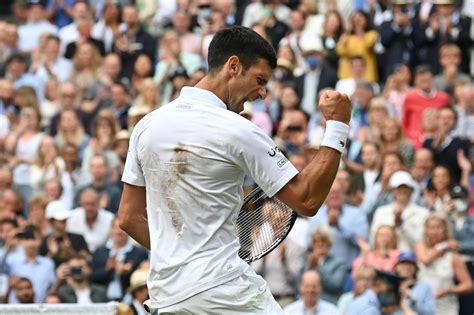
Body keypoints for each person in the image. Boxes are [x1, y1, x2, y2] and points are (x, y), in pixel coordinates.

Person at [118, 26, 352, 314]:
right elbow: (307, 199)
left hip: (167, 295)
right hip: (225, 291)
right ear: (233, 66)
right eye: (259, 80)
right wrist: (338, 126)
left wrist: (181, 259)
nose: (263, 93)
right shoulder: (238, 129)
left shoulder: (145, 126)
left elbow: (129, 218)